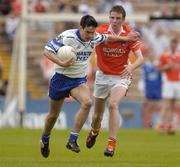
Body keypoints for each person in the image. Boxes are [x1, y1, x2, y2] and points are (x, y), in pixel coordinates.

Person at [40, 14, 139, 158]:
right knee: (53, 116)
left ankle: (72, 140)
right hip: (60, 79)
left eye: (93, 32)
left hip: (78, 80)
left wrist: (126, 39)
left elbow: (108, 38)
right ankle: (45, 138)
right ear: (81, 28)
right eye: (87, 32)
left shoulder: (95, 37)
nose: (90, 35)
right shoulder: (67, 37)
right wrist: (61, 63)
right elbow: (47, 51)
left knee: (87, 103)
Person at [86, 5, 144, 157]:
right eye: (112, 17)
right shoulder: (100, 31)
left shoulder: (129, 34)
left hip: (121, 75)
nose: (115, 21)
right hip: (102, 76)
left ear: (123, 20)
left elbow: (140, 58)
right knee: (97, 115)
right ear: (109, 18)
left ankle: (111, 143)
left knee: (113, 104)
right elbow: (95, 41)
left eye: (118, 18)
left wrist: (132, 68)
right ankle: (94, 131)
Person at [157, 37, 180, 135]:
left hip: (177, 82)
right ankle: (161, 125)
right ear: (170, 44)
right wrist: (166, 67)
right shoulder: (164, 56)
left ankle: (170, 126)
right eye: (172, 43)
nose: (173, 45)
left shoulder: (179, 56)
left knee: (173, 105)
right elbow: (158, 69)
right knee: (166, 104)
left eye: (175, 44)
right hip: (168, 81)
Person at [141, 54, 162, 128]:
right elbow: (143, 76)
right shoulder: (146, 66)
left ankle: (159, 122)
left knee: (159, 105)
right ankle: (150, 122)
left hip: (157, 87)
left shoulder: (158, 65)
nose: (151, 56)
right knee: (149, 105)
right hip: (149, 87)